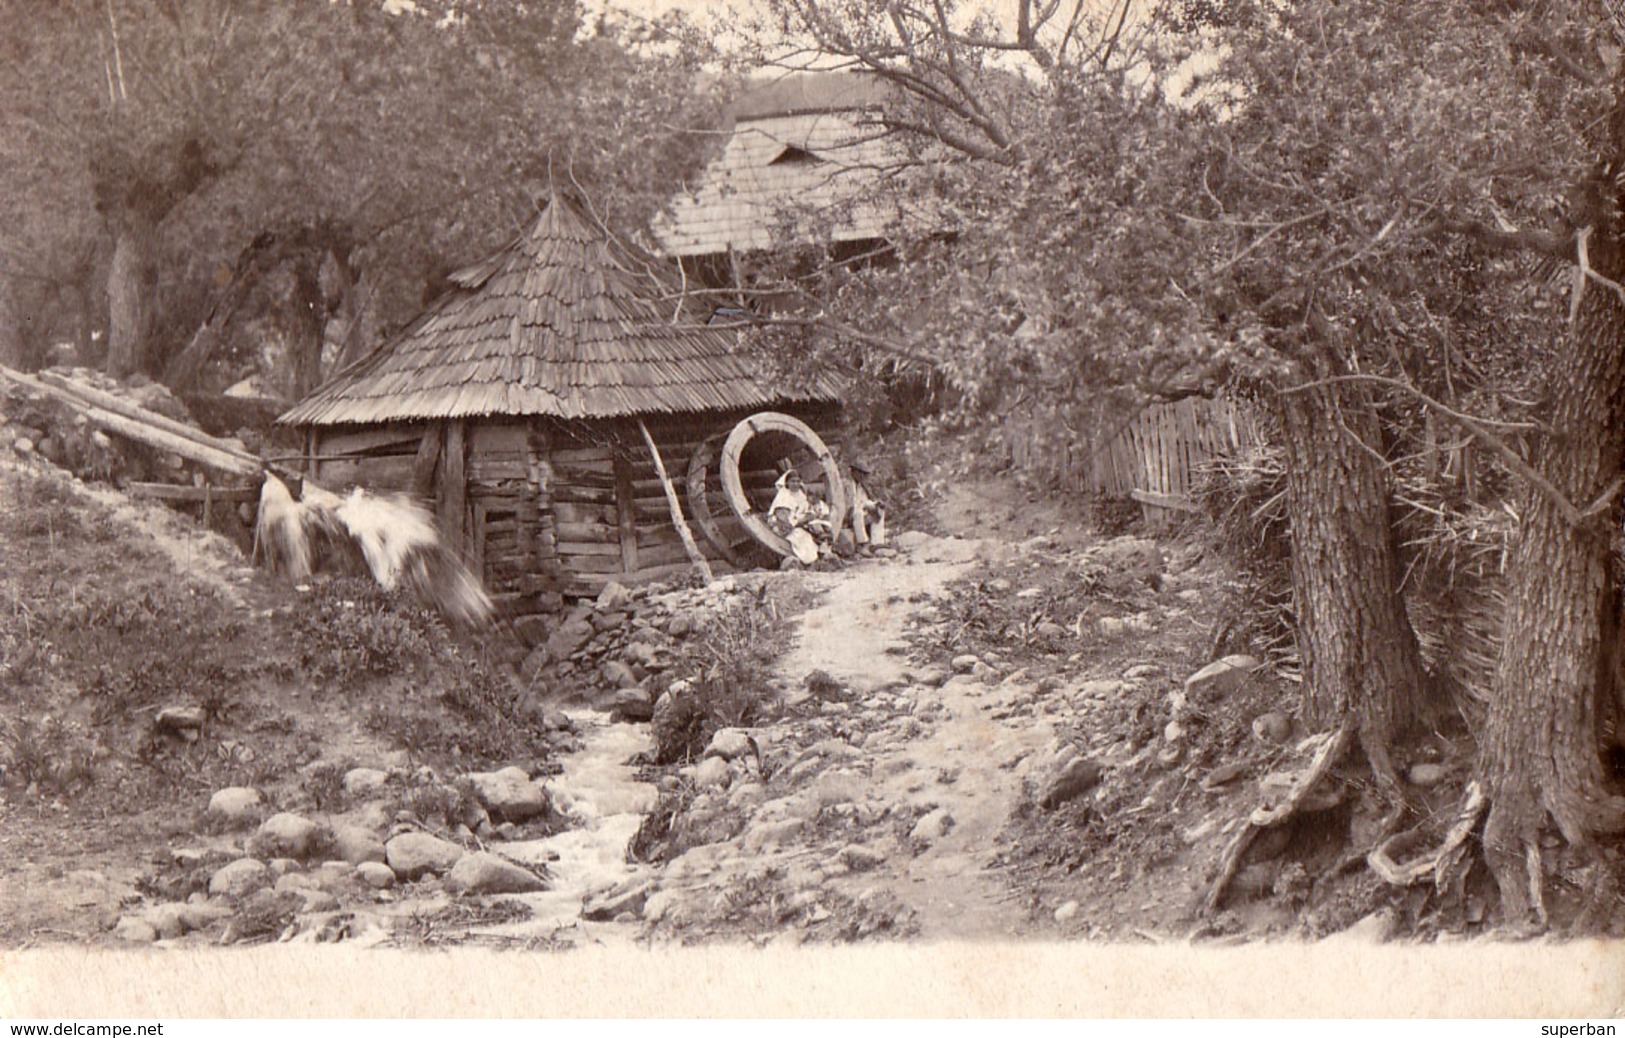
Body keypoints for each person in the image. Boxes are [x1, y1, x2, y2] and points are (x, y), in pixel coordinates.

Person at [848, 458, 887, 550]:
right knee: (858, 512)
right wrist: (863, 506)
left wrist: (875, 505)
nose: (863, 476)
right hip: (848, 513)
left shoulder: (861, 487)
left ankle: (877, 542)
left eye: (864, 474)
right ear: (854, 472)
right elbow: (849, 503)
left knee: (879, 510)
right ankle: (862, 543)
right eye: (861, 473)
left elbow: (864, 501)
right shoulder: (847, 484)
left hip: (858, 510)